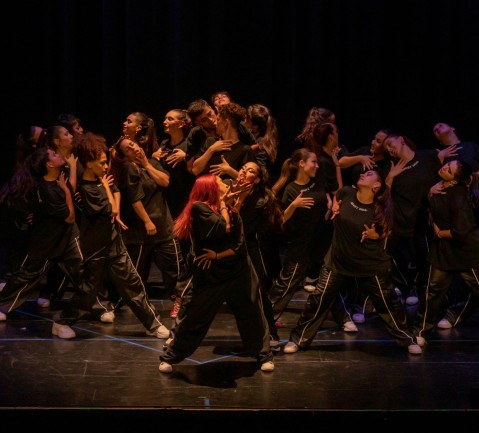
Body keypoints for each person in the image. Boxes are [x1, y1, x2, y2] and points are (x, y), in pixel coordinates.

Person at [282, 170, 423, 355]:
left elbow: (390, 232)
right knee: (318, 300)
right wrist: (332, 206)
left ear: (376, 185)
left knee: (388, 303)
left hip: (370, 264)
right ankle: (298, 339)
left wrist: (377, 234)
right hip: (338, 261)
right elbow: (332, 198)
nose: (364, 173)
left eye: (370, 174)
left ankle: (407, 338)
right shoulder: (345, 193)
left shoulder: (380, 208)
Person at [52, 132, 169, 339]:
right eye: (102, 163)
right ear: (89, 164)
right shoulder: (87, 189)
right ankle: (62, 321)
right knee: (88, 291)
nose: (106, 167)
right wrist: (107, 190)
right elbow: (113, 210)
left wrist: (109, 190)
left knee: (132, 284)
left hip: (114, 244)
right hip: (96, 249)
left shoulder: (101, 182)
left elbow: (117, 192)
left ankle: (153, 324)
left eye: (106, 162)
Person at [158, 173, 275, 373]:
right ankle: (170, 357)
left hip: (238, 270)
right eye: (220, 182)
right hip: (211, 274)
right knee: (197, 317)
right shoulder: (199, 208)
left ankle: (264, 356)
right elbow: (222, 227)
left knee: (252, 314)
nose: (225, 183)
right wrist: (225, 203)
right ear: (210, 188)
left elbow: (239, 241)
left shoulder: (228, 206)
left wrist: (236, 201)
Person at [0, 147, 82, 338]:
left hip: (67, 237)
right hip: (46, 242)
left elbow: (68, 189)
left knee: (84, 272)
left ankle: (95, 305)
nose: (57, 154)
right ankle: (3, 304)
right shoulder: (45, 190)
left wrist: (70, 170)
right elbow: (70, 216)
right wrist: (66, 191)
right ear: (49, 164)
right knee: (28, 275)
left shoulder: (60, 177)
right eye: (53, 154)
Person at [108, 135, 191, 319]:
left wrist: (147, 165)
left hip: (164, 226)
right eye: (129, 149)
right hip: (142, 231)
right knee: (136, 274)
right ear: (124, 155)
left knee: (175, 270)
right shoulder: (129, 168)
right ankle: (117, 305)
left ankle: (180, 303)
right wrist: (147, 220)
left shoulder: (152, 162)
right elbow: (134, 198)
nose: (134, 148)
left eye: (133, 144)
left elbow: (165, 182)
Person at [384, 133, 454, 306]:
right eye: (386, 148)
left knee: (422, 259)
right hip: (399, 221)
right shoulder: (392, 166)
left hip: (422, 221)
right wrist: (391, 176)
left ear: (401, 139)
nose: (389, 149)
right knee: (386, 257)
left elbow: (441, 179)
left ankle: (419, 288)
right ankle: (405, 285)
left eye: (390, 144)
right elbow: (383, 195)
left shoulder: (427, 156)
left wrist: (435, 198)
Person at [268, 149, 335, 324]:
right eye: (314, 162)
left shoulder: (317, 180)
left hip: (323, 239)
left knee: (334, 282)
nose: (317, 165)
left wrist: (331, 203)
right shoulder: (291, 189)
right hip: (302, 244)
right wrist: (294, 205)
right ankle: (265, 318)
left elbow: (326, 195)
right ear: (302, 164)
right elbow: (281, 219)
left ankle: (344, 318)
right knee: (287, 284)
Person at [225, 161, 284, 350]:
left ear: (256, 179)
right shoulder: (228, 189)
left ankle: (272, 335)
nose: (243, 171)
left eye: (250, 171)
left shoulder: (260, 200)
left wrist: (238, 201)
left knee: (258, 293)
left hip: (252, 250)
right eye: (242, 168)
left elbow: (242, 228)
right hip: (229, 250)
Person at [417, 160, 479, 332]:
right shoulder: (438, 188)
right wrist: (430, 194)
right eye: (447, 165)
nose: (444, 167)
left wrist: (439, 232)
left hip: (467, 252)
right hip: (443, 252)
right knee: (432, 292)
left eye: (449, 170)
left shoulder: (458, 197)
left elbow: (461, 231)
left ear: (454, 180)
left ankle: (453, 314)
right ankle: (420, 330)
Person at [191, 102, 256, 180]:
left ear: (226, 122)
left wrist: (229, 170)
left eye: (218, 119)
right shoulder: (210, 142)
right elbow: (195, 170)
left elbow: (249, 181)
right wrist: (211, 150)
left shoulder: (245, 150)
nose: (215, 123)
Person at [244, 103, 279, 185]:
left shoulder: (262, 143)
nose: (243, 121)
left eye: (246, 119)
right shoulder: (250, 138)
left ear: (255, 126)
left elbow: (260, 172)